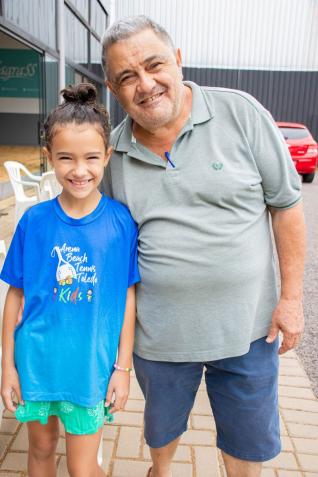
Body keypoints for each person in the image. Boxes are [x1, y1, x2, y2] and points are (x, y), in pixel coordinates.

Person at [101, 15, 306, 477]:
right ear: (114, 90)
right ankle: (161, 471)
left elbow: (288, 205)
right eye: (128, 77)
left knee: (248, 443)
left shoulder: (241, 113)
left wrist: (292, 299)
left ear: (177, 59)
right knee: (162, 432)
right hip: (159, 338)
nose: (146, 84)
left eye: (154, 65)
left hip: (249, 331)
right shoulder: (113, 155)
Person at [0, 83, 140, 477]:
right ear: (49, 158)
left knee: (83, 469)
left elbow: (127, 298)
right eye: (66, 158)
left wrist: (122, 368)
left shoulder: (120, 223)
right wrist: (7, 366)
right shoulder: (34, 222)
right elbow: (15, 298)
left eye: (92, 157)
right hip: (35, 364)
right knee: (41, 453)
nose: (79, 170)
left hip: (90, 370)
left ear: (107, 156)